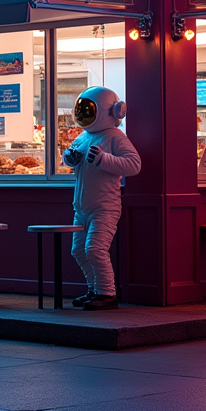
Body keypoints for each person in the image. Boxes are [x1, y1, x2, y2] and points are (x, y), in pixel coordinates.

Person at [61, 86, 141, 311]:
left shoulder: (116, 137)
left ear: (114, 111)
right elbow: (72, 160)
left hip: (105, 206)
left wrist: (105, 160)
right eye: (82, 110)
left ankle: (107, 293)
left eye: (88, 110)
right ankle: (94, 289)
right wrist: (70, 158)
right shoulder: (84, 136)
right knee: (78, 250)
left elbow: (134, 165)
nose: (84, 115)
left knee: (95, 249)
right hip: (82, 207)